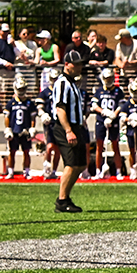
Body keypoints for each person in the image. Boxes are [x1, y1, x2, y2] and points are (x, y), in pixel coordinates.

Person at [46, 57, 88, 212]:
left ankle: (66, 197)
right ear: (67, 65)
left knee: (81, 164)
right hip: (65, 127)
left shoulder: (72, 83)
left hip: (76, 126)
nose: (79, 66)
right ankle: (62, 201)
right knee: (71, 164)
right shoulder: (63, 83)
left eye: (80, 63)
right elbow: (60, 108)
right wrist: (68, 130)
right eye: (75, 64)